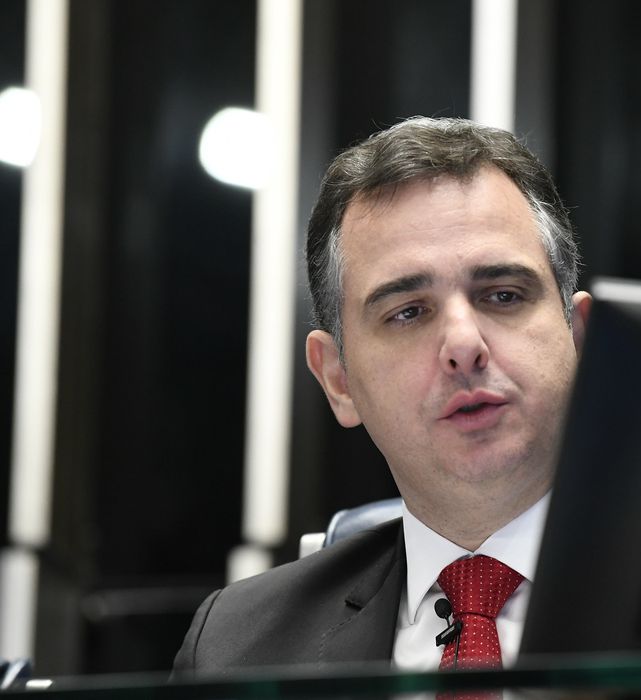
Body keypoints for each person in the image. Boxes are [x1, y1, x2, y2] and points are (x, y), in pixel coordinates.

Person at [172, 117, 592, 674]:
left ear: (582, 340)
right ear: (338, 380)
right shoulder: (234, 649)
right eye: (409, 312)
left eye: (503, 295)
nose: (463, 345)